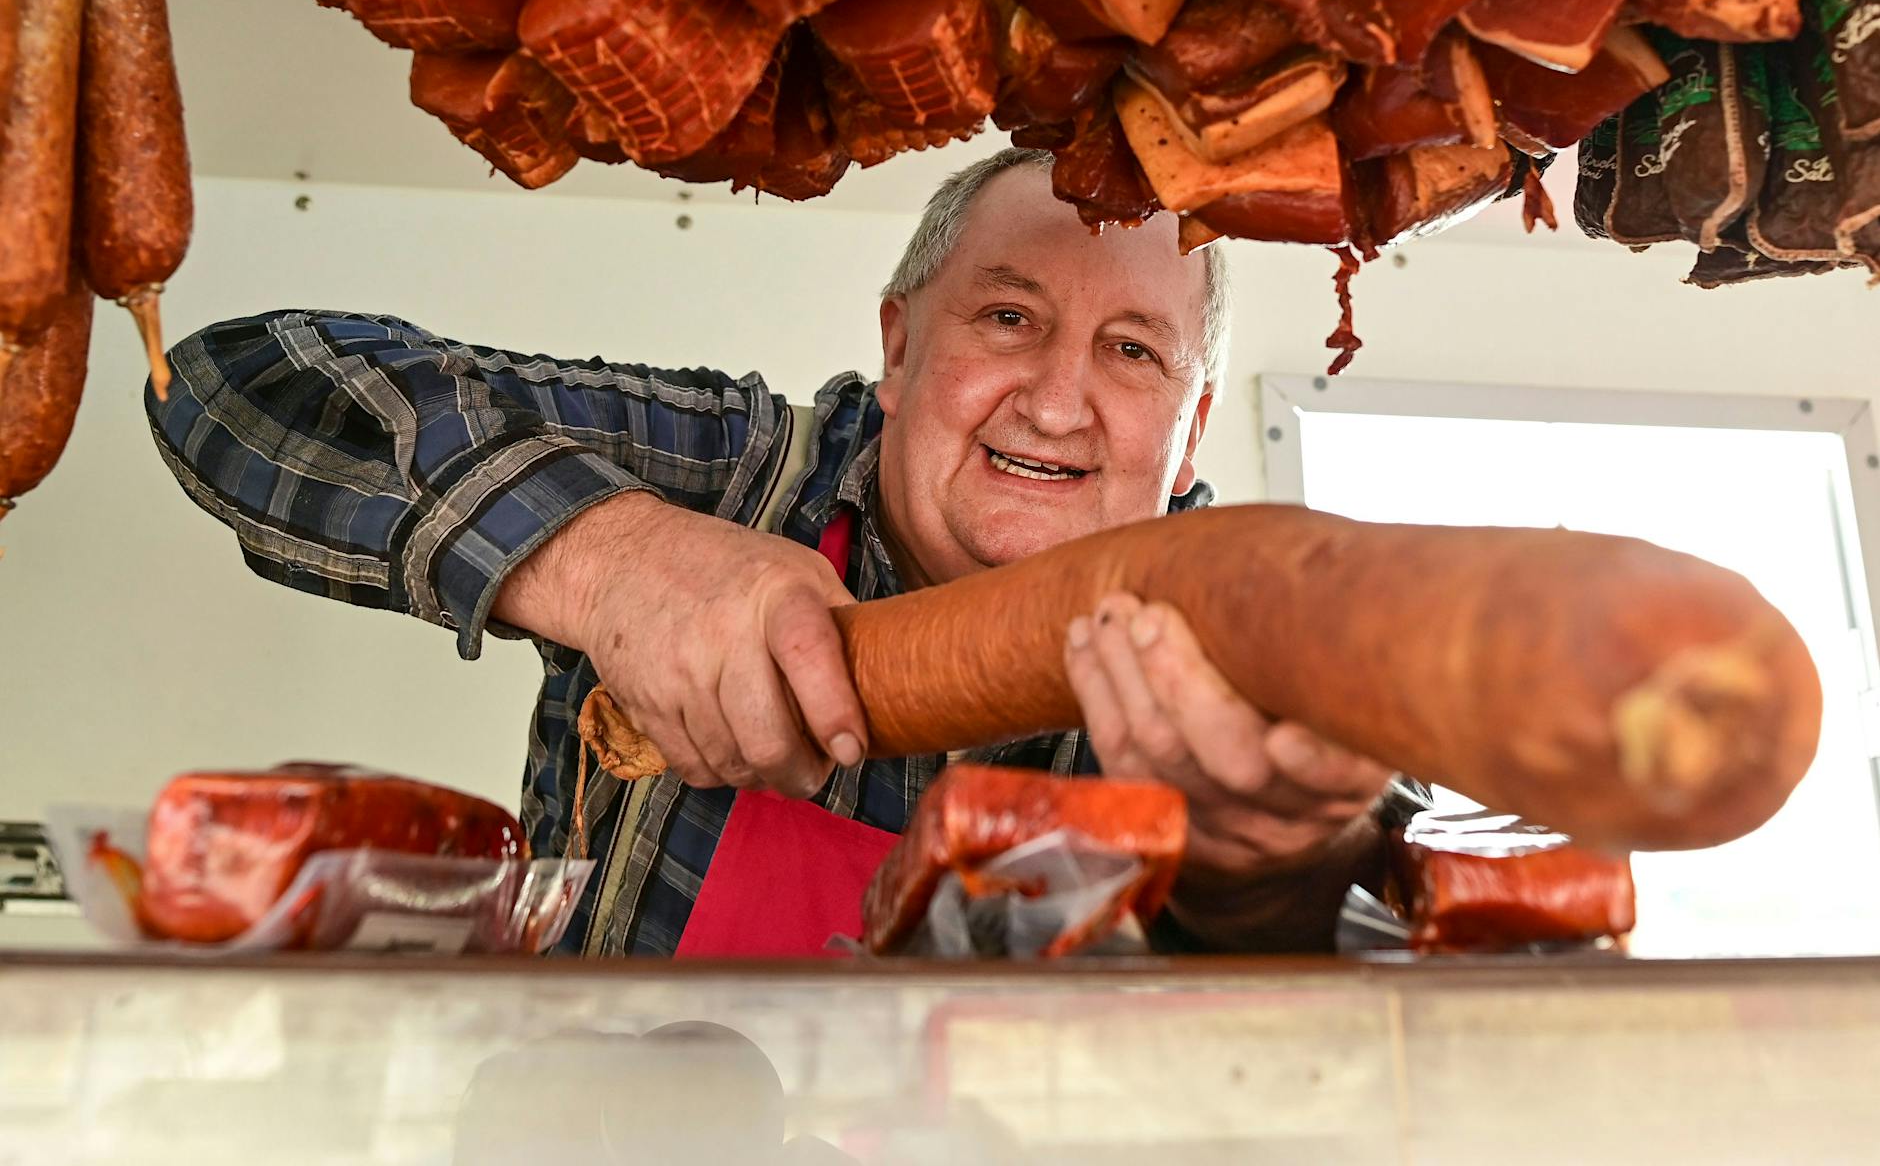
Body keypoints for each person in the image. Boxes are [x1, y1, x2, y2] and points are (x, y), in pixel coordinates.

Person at [149, 147, 1406, 956]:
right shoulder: (738, 468)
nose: (1055, 399)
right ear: (899, 346)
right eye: (1007, 315)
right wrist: (610, 558)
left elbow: (1388, 965)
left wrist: (1273, 867)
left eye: (1131, 350)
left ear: (1193, 426)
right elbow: (230, 388)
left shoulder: (1251, 631)